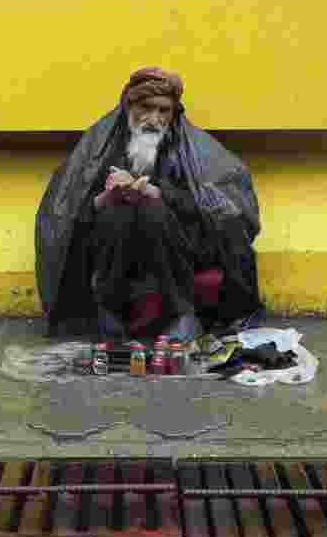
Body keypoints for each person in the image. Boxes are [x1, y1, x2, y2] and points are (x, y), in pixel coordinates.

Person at [35, 66, 266, 341]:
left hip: (176, 248)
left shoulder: (193, 150)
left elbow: (221, 210)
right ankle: (111, 313)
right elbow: (68, 212)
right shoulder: (101, 147)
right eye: (145, 107)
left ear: (173, 114)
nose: (153, 119)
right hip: (112, 247)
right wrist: (105, 198)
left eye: (163, 110)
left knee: (151, 208)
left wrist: (160, 194)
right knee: (118, 209)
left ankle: (179, 313)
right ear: (128, 106)